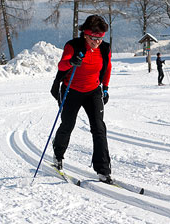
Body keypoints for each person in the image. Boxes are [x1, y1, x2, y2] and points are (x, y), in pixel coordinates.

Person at [50, 15, 113, 184]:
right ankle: (58, 155)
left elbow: (107, 68)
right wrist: (72, 61)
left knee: (99, 128)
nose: (97, 41)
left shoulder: (105, 49)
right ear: (85, 34)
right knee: (68, 124)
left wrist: (105, 88)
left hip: (93, 91)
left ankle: (103, 170)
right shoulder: (73, 46)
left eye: (100, 38)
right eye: (94, 38)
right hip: (72, 90)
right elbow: (61, 65)